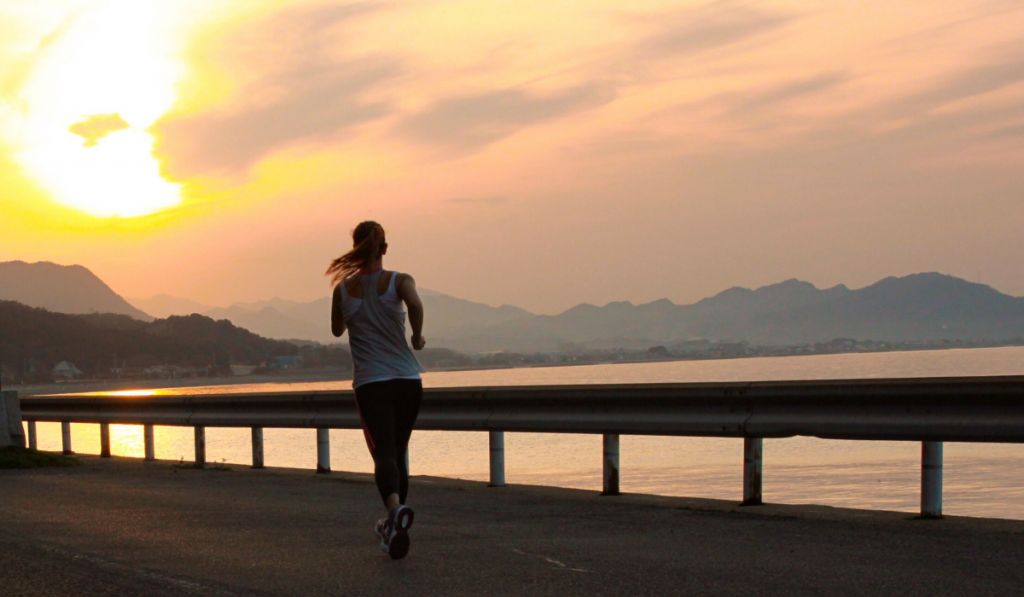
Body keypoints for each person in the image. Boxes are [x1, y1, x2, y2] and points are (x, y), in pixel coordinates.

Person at [327, 221, 426, 560]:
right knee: (398, 452)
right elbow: (415, 305)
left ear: (355, 249)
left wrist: (356, 315)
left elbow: (337, 330)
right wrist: (416, 337)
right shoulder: (400, 281)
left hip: (372, 384)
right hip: (408, 380)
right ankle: (393, 526)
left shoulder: (342, 290)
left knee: (383, 453)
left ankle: (395, 510)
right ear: (384, 248)